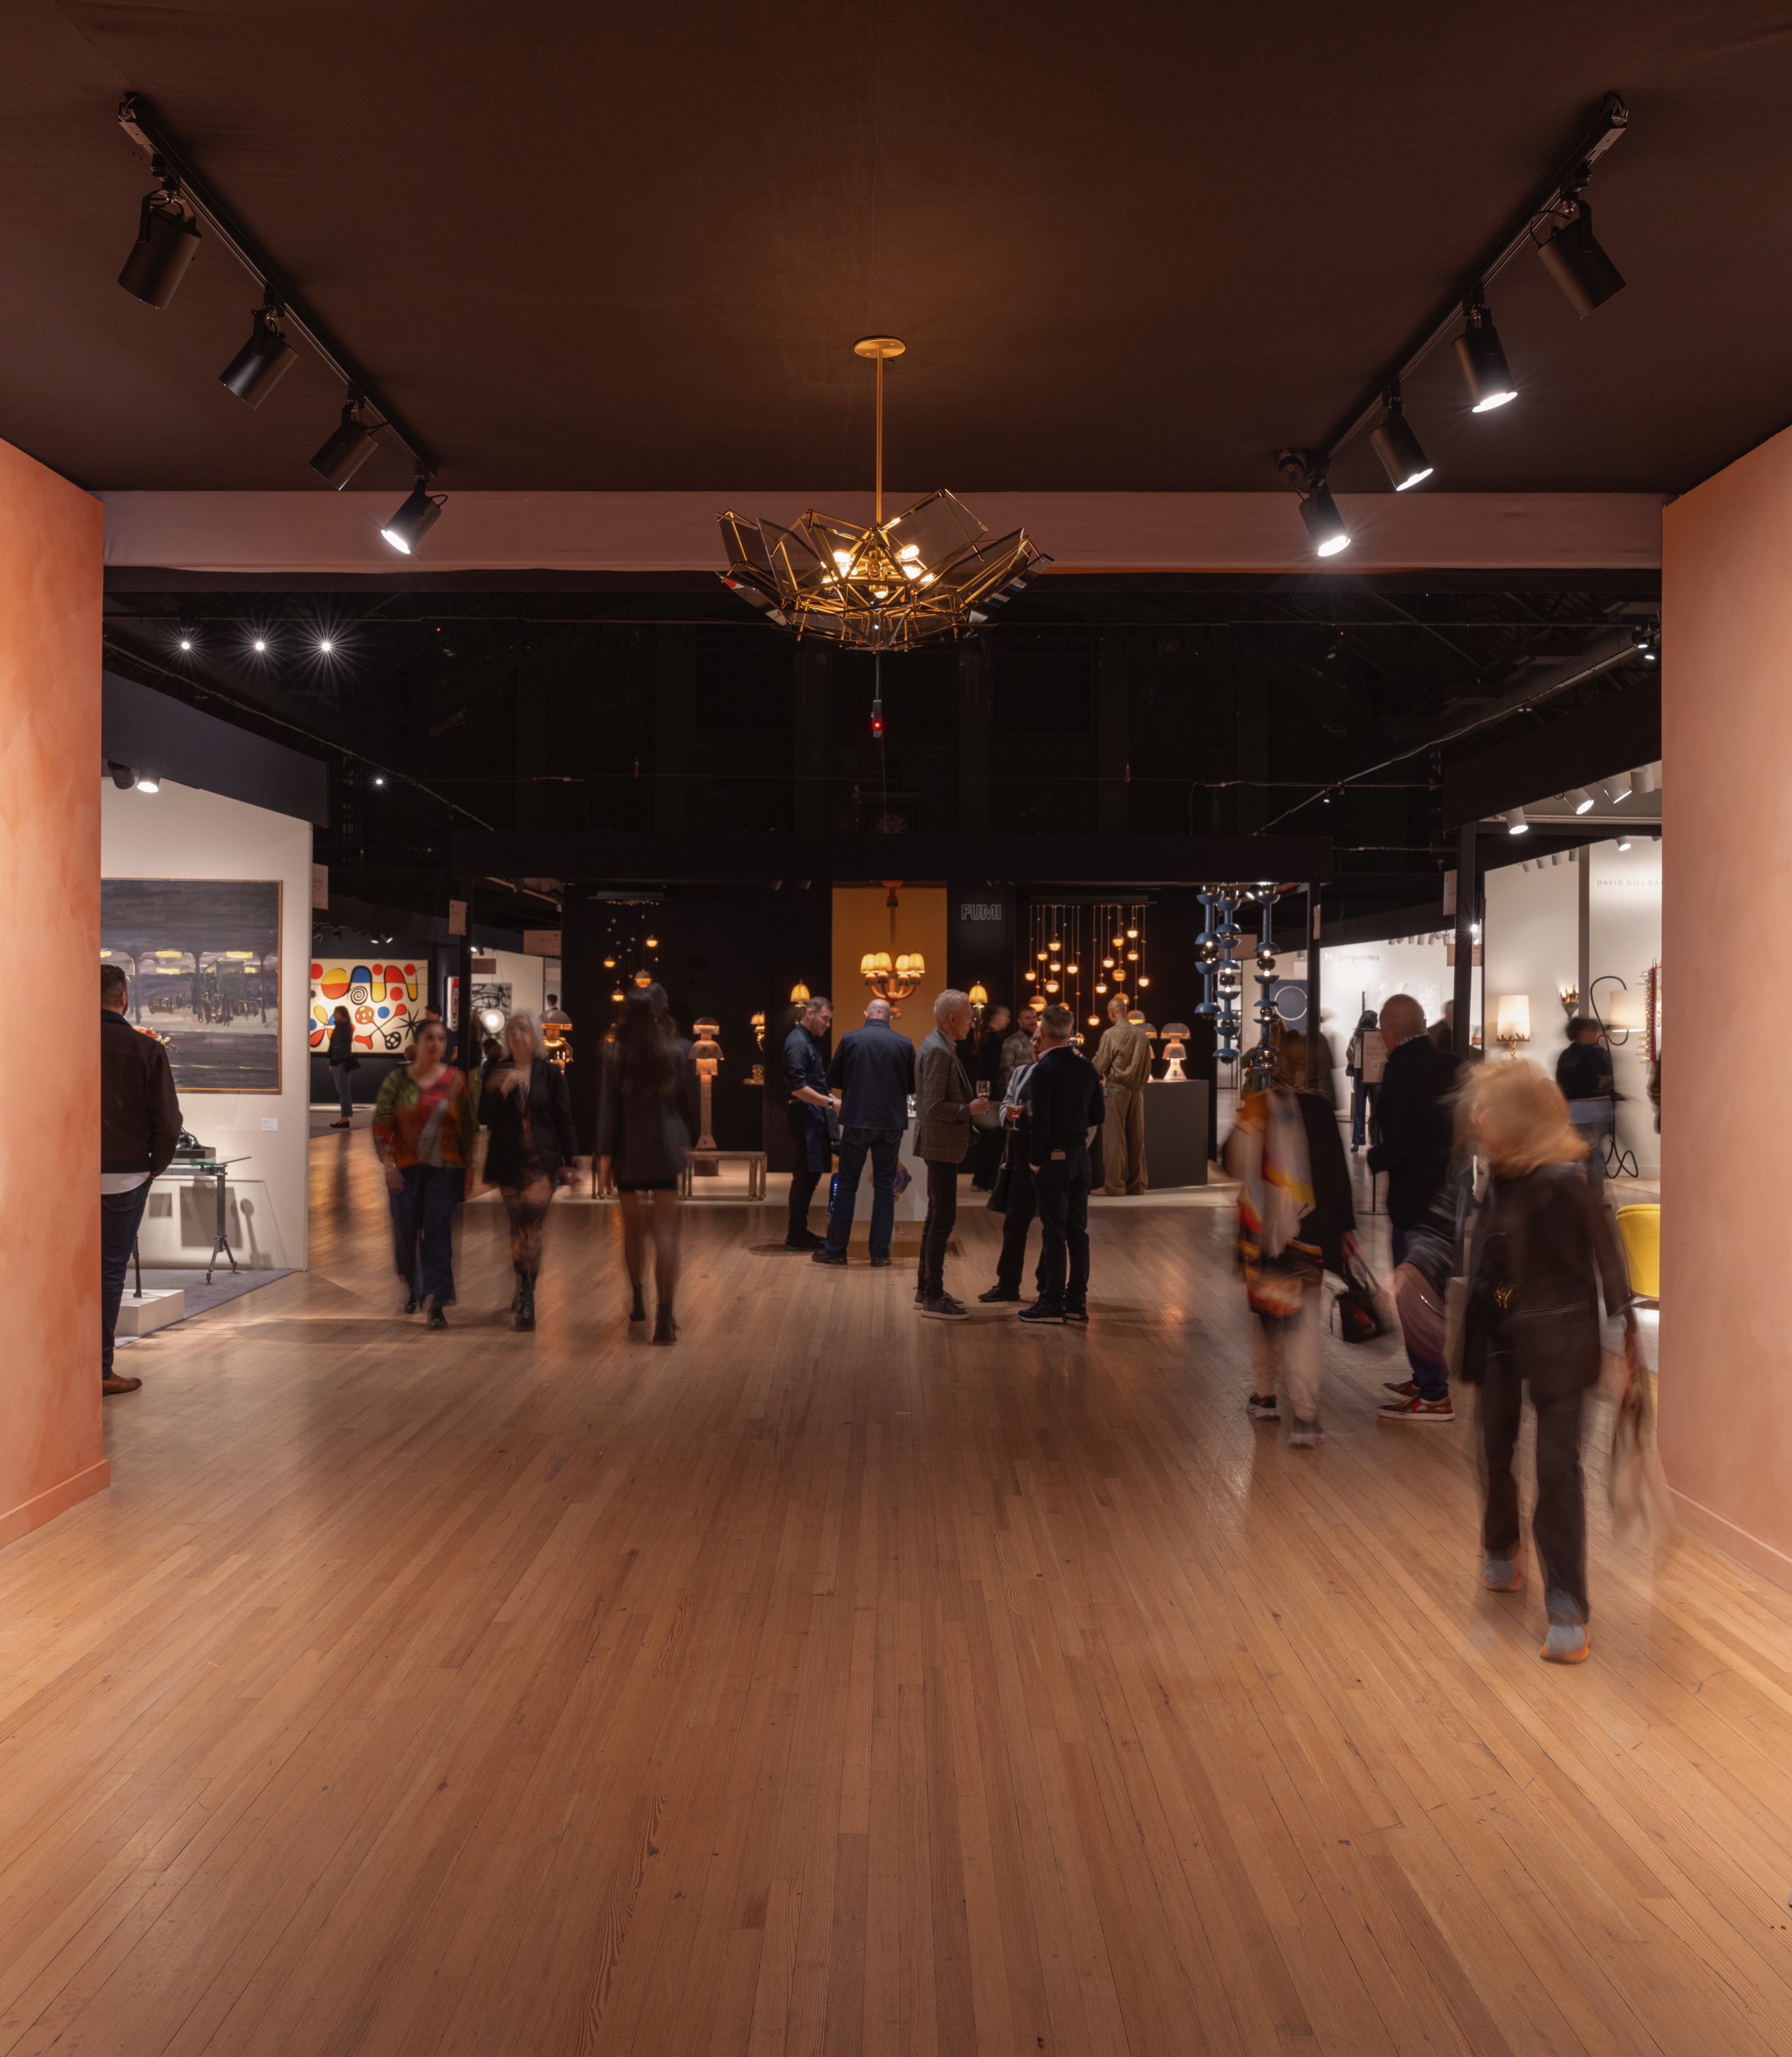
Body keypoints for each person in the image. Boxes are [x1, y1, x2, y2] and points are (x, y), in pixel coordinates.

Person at [1458, 1061, 1641, 1664]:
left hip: (1562, 1339)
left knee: (1558, 1468)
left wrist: (1628, 1334)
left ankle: (1567, 1603)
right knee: (1495, 1447)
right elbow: (1491, 1261)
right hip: (1506, 1334)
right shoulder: (1499, 1176)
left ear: (1513, 1118)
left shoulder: (1568, 1177)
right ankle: (1501, 1546)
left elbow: (1609, 1257)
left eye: (1486, 1109)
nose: (1476, 1118)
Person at [1228, 1029, 1361, 1447]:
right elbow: (1338, 1179)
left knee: (1269, 1317)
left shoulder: (1259, 1107)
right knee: (1303, 1323)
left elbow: (1229, 1159)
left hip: (1263, 1233)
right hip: (1311, 1233)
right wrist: (1345, 1230)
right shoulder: (1322, 1112)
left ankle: (1265, 1396)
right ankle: (1305, 1418)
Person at [1368, 992, 1463, 1422]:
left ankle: (1433, 1393)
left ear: (1388, 1033)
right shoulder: (1453, 1065)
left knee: (1414, 1299)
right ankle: (1426, 1378)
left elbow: (1398, 1146)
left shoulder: (1399, 1072)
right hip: (1451, 1195)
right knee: (1433, 1293)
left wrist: (1373, 1159)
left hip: (1414, 1201)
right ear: (1424, 1023)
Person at [596, 983, 699, 1343]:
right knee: (667, 1234)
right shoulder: (678, 1050)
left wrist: (604, 1156)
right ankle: (666, 1318)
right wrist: (687, 1141)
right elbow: (688, 1105)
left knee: (633, 1230)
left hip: (628, 1147)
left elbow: (609, 1108)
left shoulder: (615, 1052)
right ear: (662, 1010)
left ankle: (638, 1298)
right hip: (666, 1143)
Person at [100, 962, 182, 1395]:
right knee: (110, 1273)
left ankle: (63, 1366)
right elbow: (168, 1122)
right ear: (124, 998)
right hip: (125, 1177)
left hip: (67, 1177)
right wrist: (155, 1165)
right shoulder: (146, 1050)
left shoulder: (62, 1045)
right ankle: (99, 1369)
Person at [372, 1016, 477, 1329]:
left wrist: (470, 1166)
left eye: (442, 1040)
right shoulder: (398, 1081)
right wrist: (389, 1165)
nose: (436, 1045)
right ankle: (413, 1285)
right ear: (417, 1044)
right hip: (405, 1170)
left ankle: (437, 1302)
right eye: (430, 1038)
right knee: (406, 1234)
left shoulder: (457, 1079)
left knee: (437, 1233)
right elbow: (381, 1125)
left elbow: (468, 1127)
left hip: (445, 1170)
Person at [479, 1011, 579, 1331]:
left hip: (541, 1165)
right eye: (512, 1031)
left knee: (531, 1228)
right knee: (517, 1229)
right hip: (509, 1163)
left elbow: (564, 1120)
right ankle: (521, 1283)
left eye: (523, 1030)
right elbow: (484, 1115)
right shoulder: (496, 1070)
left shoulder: (551, 1075)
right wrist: (505, 1088)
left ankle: (528, 1297)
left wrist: (569, 1162)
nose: (516, 1036)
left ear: (535, 1037)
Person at [1019, 1005, 1105, 1323]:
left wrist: (1034, 1161)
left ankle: (1052, 1301)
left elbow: (1040, 1122)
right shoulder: (1087, 1068)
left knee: (1053, 1230)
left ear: (1042, 1031)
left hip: (1053, 1157)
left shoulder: (1043, 1070)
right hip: (1081, 1155)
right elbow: (1099, 1116)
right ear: (1070, 1031)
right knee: (1078, 1231)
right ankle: (1077, 1301)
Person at [815, 997, 916, 1268]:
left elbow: (833, 1080)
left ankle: (836, 1251)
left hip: (857, 1120)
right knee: (884, 1187)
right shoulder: (904, 1044)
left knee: (847, 1185)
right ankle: (880, 1254)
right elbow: (911, 1085)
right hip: (891, 1124)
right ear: (890, 1017)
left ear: (866, 1014)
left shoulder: (850, 1040)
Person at [913, 990, 990, 1316]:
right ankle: (933, 1295)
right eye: (969, 1019)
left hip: (941, 1144)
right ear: (953, 1019)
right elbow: (933, 1106)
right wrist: (968, 1109)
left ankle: (925, 1289)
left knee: (936, 1217)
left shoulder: (940, 1046)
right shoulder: (938, 1051)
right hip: (941, 1145)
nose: (972, 1025)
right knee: (942, 1218)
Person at [980, 1018, 1044, 1305]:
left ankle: (1048, 1288)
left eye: (1040, 1039)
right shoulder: (1021, 1073)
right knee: (1014, 1225)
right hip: (1020, 1159)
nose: (1035, 1044)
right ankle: (1008, 1284)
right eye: (1034, 1040)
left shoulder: (1065, 1071)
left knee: (1053, 1228)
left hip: (1050, 1163)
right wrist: (1008, 1114)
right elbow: (1006, 1101)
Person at [781, 994, 836, 1250]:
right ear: (810, 1014)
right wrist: (831, 1103)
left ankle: (800, 1231)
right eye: (825, 1019)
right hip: (804, 1117)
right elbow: (798, 1088)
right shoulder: (797, 1043)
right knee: (804, 1175)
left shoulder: (808, 1041)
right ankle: (795, 1235)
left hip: (812, 1117)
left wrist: (829, 1098)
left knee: (810, 1175)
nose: (827, 1024)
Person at [1092, 994, 1152, 1194]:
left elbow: (1100, 1065)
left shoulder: (1110, 1035)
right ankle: (1138, 1185)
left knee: (1114, 1140)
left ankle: (1114, 1185)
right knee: (1137, 1140)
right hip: (1138, 1093)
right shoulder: (1141, 1035)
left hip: (1116, 1092)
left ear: (1111, 1013)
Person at [1555, 1017, 1616, 1186]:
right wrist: (1601, 1082)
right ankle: (1595, 1195)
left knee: (1577, 1154)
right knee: (1594, 1154)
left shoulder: (1567, 1055)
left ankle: (1574, 1193)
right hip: (1592, 1111)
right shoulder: (1596, 1054)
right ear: (1583, 1032)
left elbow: (1562, 1084)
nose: (1596, 1034)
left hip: (1576, 1111)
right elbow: (1600, 1081)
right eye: (1593, 1030)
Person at [969, 1004, 1013, 1191]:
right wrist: (995, 1096)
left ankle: (982, 1180)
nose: (1008, 1020)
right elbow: (992, 1071)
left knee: (986, 1142)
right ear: (996, 1017)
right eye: (1005, 1016)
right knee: (994, 1143)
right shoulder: (993, 1041)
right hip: (992, 1097)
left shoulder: (982, 1039)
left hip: (983, 1095)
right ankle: (988, 1181)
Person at [1345, 1009, 1385, 1151]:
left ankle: (1357, 1141)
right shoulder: (1380, 1036)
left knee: (1359, 1108)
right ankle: (1379, 1140)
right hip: (1376, 1072)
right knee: (1378, 1107)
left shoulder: (1356, 1037)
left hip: (1359, 1071)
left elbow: (1349, 1054)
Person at [326, 1004, 358, 1127]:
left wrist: (333, 1061)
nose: (334, 1014)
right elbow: (335, 1046)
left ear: (341, 1013)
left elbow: (340, 1046)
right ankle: (344, 1117)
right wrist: (332, 1061)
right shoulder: (340, 1027)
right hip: (338, 1061)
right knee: (341, 1091)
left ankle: (345, 1118)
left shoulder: (344, 1028)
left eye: (336, 1012)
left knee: (344, 1091)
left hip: (342, 1061)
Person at [1000, 1005, 1038, 1086]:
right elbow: (1007, 1068)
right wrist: (1028, 1078)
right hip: (1019, 1089)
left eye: (1034, 1017)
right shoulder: (1011, 1041)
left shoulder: (1041, 1040)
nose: (1033, 1021)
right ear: (1020, 1022)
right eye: (1028, 1018)